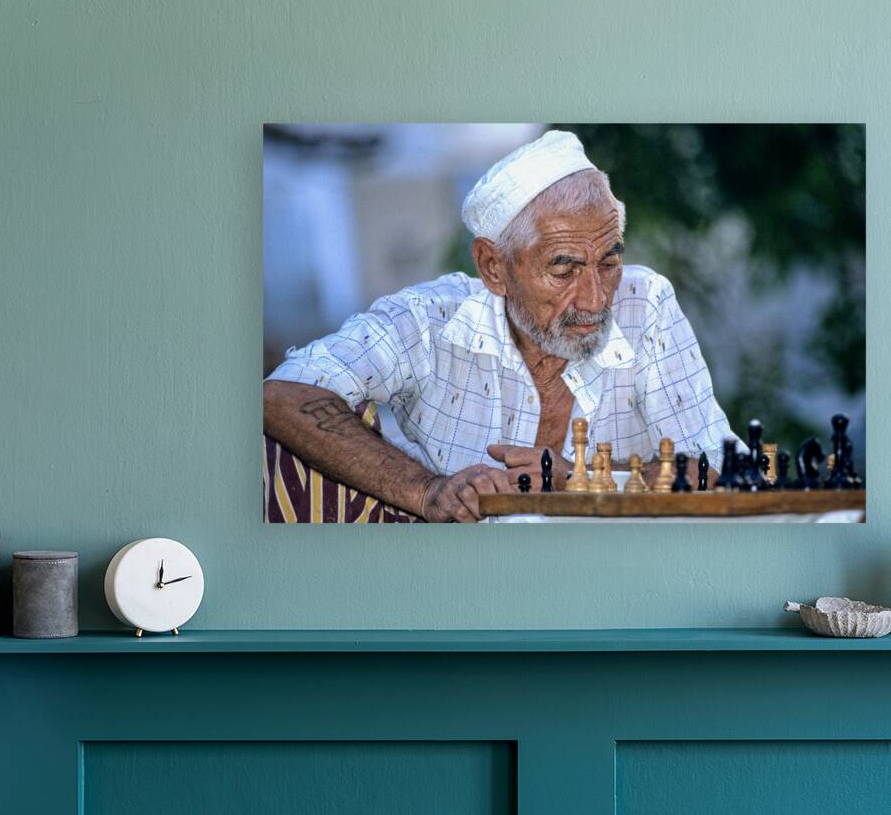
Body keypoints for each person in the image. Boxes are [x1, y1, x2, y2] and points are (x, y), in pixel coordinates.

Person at [264, 130, 740, 522]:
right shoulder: (430, 322)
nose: (596, 299)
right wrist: (429, 492)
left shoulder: (645, 305)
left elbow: (723, 468)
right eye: (564, 267)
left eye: (609, 261)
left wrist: (580, 477)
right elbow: (284, 394)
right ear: (494, 267)